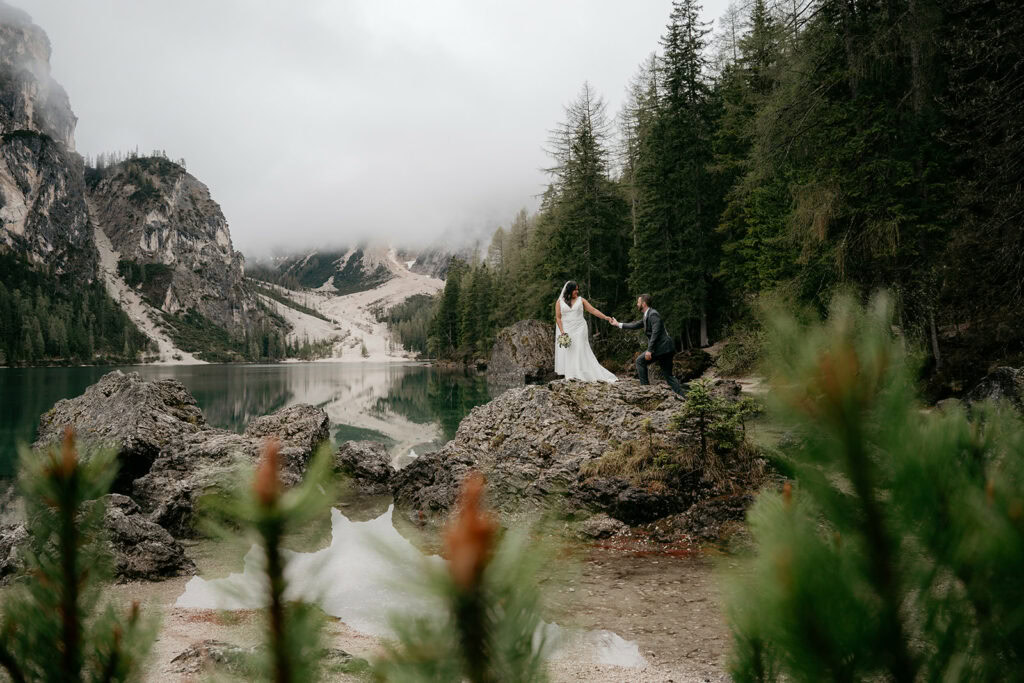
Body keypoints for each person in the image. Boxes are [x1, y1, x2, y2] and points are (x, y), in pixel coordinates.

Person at [611, 294, 684, 396]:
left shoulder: (653, 314)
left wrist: (649, 350)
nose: (637, 304)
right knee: (668, 376)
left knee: (640, 361)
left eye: (638, 302)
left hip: (662, 348)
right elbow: (635, 325)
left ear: (643, 304)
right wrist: (618, 324)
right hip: (665, 348)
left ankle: (645, 391)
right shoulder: (647, 315)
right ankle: (684, 397)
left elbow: (656, 332)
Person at [554, 280, 618, 383]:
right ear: (569, 290)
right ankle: (571, 374)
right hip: (567, 329)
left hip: (580, 327)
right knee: (571, 350)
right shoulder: (559, 302)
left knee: (580, 347)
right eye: (575, 290)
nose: (577, 292)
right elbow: (558, 318)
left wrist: (606, 317)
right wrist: (562, 331)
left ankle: (582, 373)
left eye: (577, 289)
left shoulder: (581, 300)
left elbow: (593, 310)